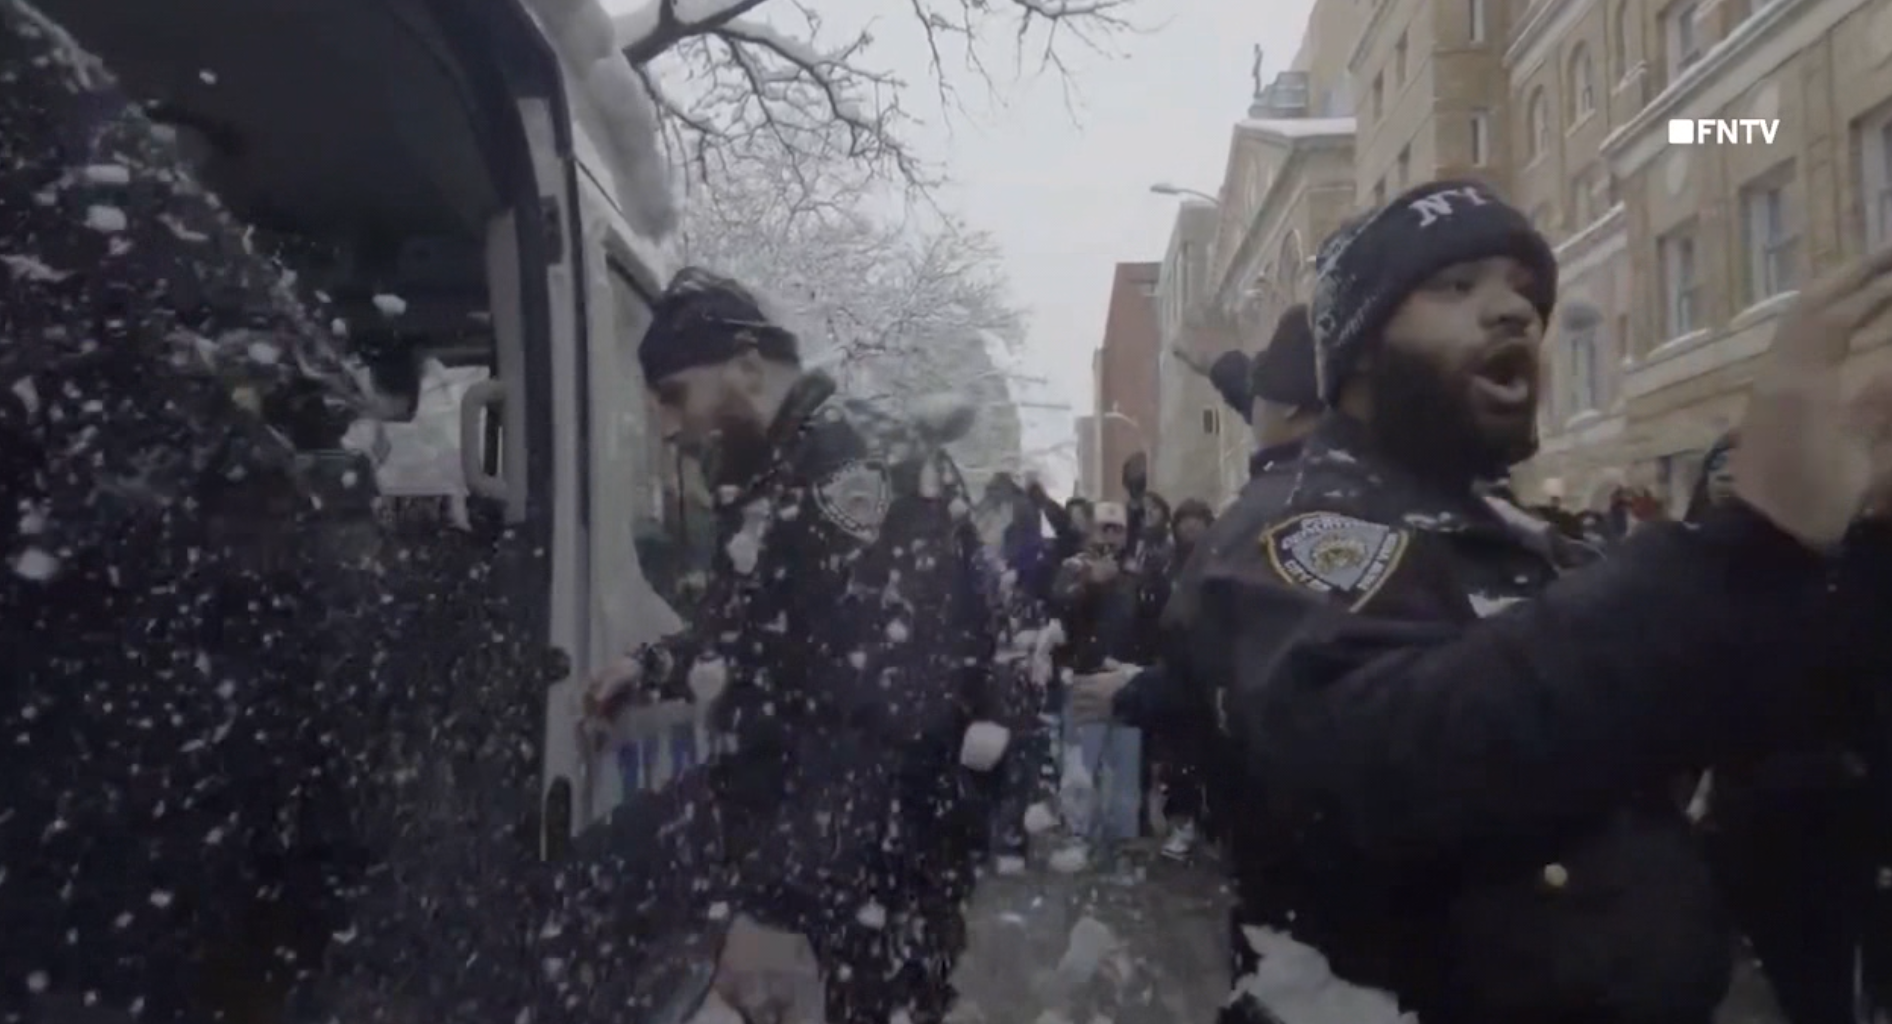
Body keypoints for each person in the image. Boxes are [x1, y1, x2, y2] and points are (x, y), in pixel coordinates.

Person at [1175, 177, 1892, 1024]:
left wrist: (1858, 539)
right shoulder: (1299, 525)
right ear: (1363, 346)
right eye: (1456, 286)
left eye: (1524, 290)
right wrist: (1750, 540)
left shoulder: (1529, 540)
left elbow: (1742, 725)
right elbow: (1396, 760)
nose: (1513, 309)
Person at [567, 268, 1004, 1024]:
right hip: (846, 864)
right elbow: (756, 628)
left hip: (876, 869)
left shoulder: (854, 471)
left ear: (745, 364)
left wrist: (778, 905)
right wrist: (654, 665)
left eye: (675, 394)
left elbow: (878, 707)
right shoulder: (789, 472)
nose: (670, 427)